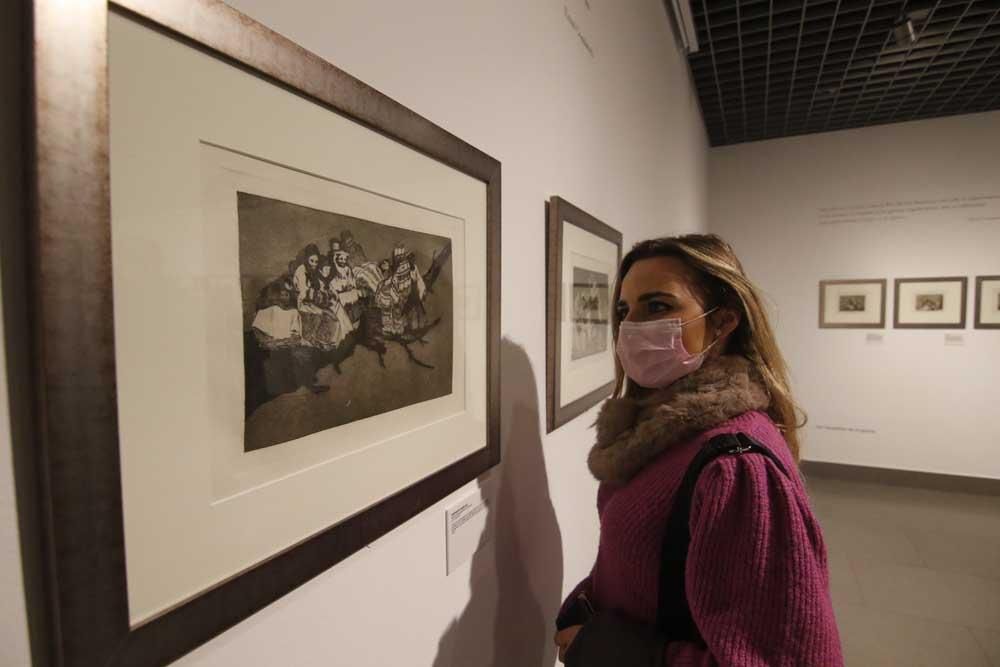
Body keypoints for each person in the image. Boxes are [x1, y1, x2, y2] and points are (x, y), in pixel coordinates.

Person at [553, 234, 843, 666]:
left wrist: (605, 649)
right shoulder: (661, 436)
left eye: (658, 307)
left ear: (723, 322)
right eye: (623, 311)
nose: (631, 327)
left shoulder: (735, 467)